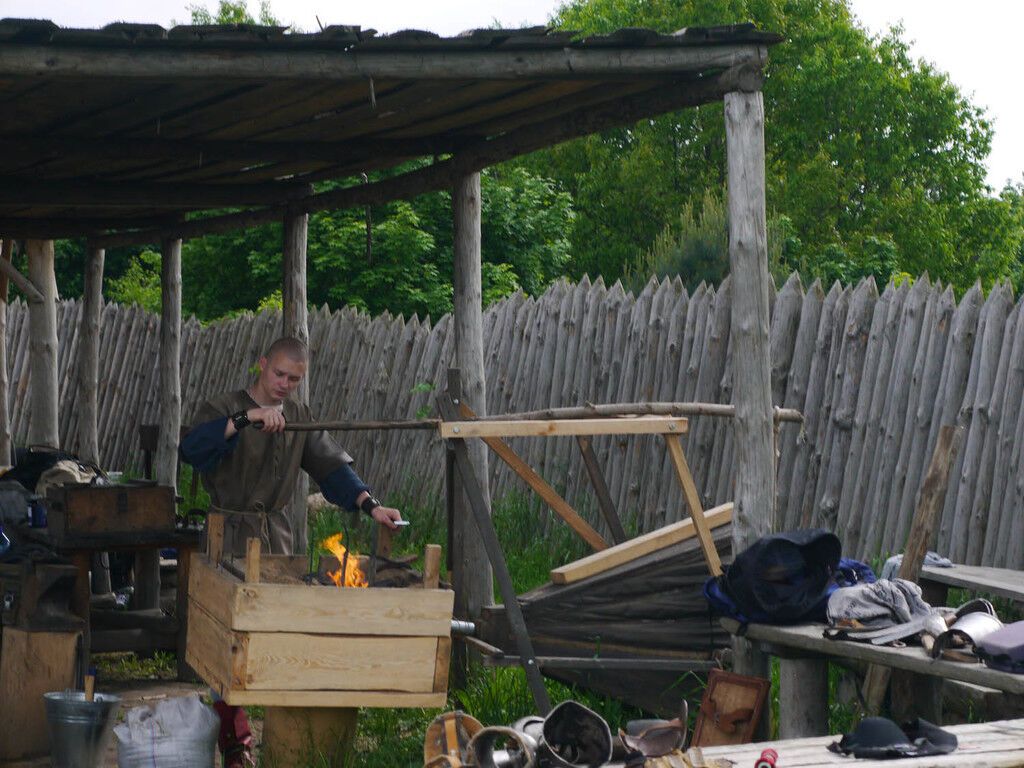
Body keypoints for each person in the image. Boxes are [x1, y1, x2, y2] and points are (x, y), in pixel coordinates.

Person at [179, 335, 402, 767]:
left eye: (293, 379)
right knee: (227, 641)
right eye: (279, 374)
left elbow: (331, 467)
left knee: (273, 639)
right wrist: (246, 418)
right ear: (262, 365)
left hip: (275, 538)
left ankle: (289, 735)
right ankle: (236, 741)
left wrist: (371, 505)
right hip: (226, 534)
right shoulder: (224, 405)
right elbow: (192, 449)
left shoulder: (299, 416)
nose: (284, 384)